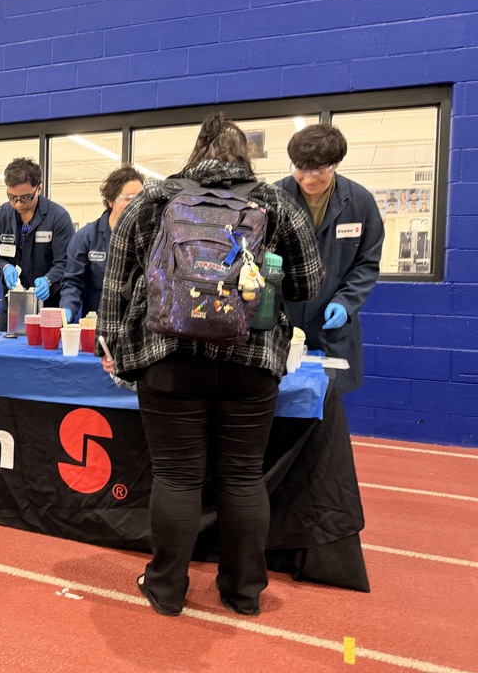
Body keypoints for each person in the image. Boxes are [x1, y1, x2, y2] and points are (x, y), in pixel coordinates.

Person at [97, 114, 322, 617]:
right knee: (242, 477)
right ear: (246, 156)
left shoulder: (153, 201)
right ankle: (243, 593)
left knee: (177, 478)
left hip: (168, 360)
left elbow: (115, 282)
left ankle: (167, 589)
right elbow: (309, 284)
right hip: (250, 361)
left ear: (195, 151)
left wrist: (110, 346)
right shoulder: (274, 202)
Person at [276, 124, 384, 395]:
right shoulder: (274, 198)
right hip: (283, 321)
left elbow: (367, 263)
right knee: (280, 409)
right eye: (301, 169)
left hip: (330, 327)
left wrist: (346, 303)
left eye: (319, 170)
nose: (309, 178)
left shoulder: (360, 202)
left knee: (327, 410)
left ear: (335, 164)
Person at [0, 157, 74, 328]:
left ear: (39, 188)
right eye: (12, 197)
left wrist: (49, 280)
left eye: (25, 197)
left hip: (48, 305)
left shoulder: (58, 218)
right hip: (12, 306)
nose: (18, 204)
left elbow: (65, 262)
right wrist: (4, 268)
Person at [59, 167, 144, 323]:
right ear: (110, 201)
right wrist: (67, 311)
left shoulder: (149, 239)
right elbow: (73, 283)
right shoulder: (85, 238)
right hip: (98, 325)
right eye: (129, 199)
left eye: (141, 199)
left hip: (137, 327)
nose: (137, 205)